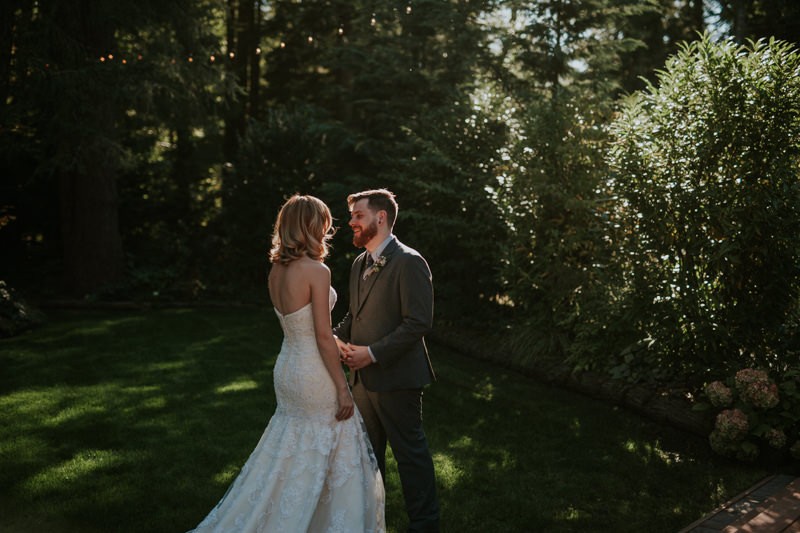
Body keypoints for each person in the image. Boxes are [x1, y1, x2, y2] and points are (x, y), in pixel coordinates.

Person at [188, 194, 385, 533]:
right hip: (314, 374)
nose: (328, 230)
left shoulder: (276, 271)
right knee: (336, 446)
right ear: (310, 226)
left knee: (290, 448)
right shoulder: (316, 271)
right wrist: (341, 387)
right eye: (323, 223)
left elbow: (301, 327)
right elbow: (322, 335)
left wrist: (340, 345)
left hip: (287, 368)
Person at [334, 189, 440, 533]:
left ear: (381, 218)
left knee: (410, 456)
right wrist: (332, 339)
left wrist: (373, 353)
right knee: (366, 458)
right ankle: (371, 521)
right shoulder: (358, 262)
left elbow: (418, 322)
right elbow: (354, 315)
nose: (351, 222)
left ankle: (424, 526)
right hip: (362, 381)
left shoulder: (409, 261)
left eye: (358, 215)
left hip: (398, 378)